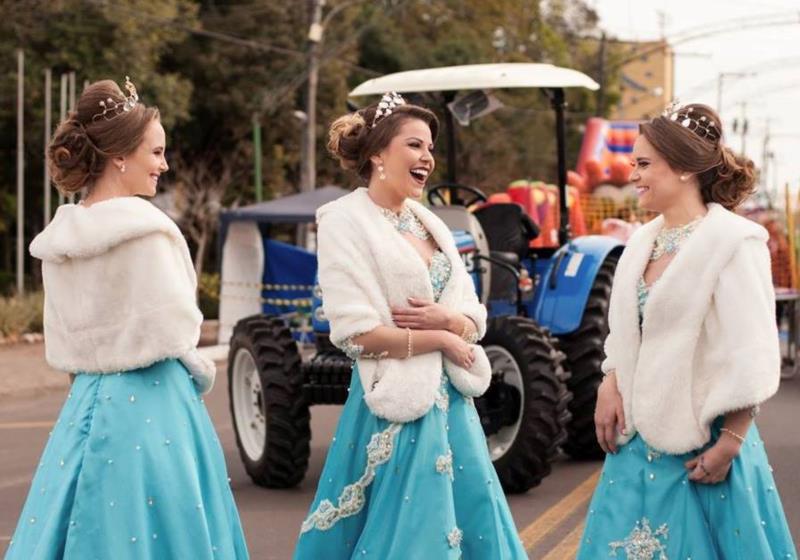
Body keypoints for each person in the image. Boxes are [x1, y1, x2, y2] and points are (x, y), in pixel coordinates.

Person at [5, 78, 249, 559]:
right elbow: (178, 331)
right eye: (156, 152)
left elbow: (66, 346)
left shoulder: (58, 243)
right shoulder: (148, 234)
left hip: (86, 404)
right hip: (155, 406)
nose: (164, 164)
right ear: (120, 156)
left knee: (77, 519)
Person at [293, 92, 527, 559]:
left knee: (472, 522)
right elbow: (355, 336)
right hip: (395, 403)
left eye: (430, 148)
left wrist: (451, 321)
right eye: (415, 146)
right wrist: (440, 336)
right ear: (379, 152)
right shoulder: (344, 221)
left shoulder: (428, 223)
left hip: (453, 405)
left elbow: (472, 313)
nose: (428, 158)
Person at [577, 103, 797, 559]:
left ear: (681, 168)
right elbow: (625, 330)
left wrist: (731, 443)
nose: (632, 174)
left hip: (706, 444)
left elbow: (753, 352)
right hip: (635, 445)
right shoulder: (640, 242)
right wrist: (610, 378)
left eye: (643, 164)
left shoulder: (734, 242)